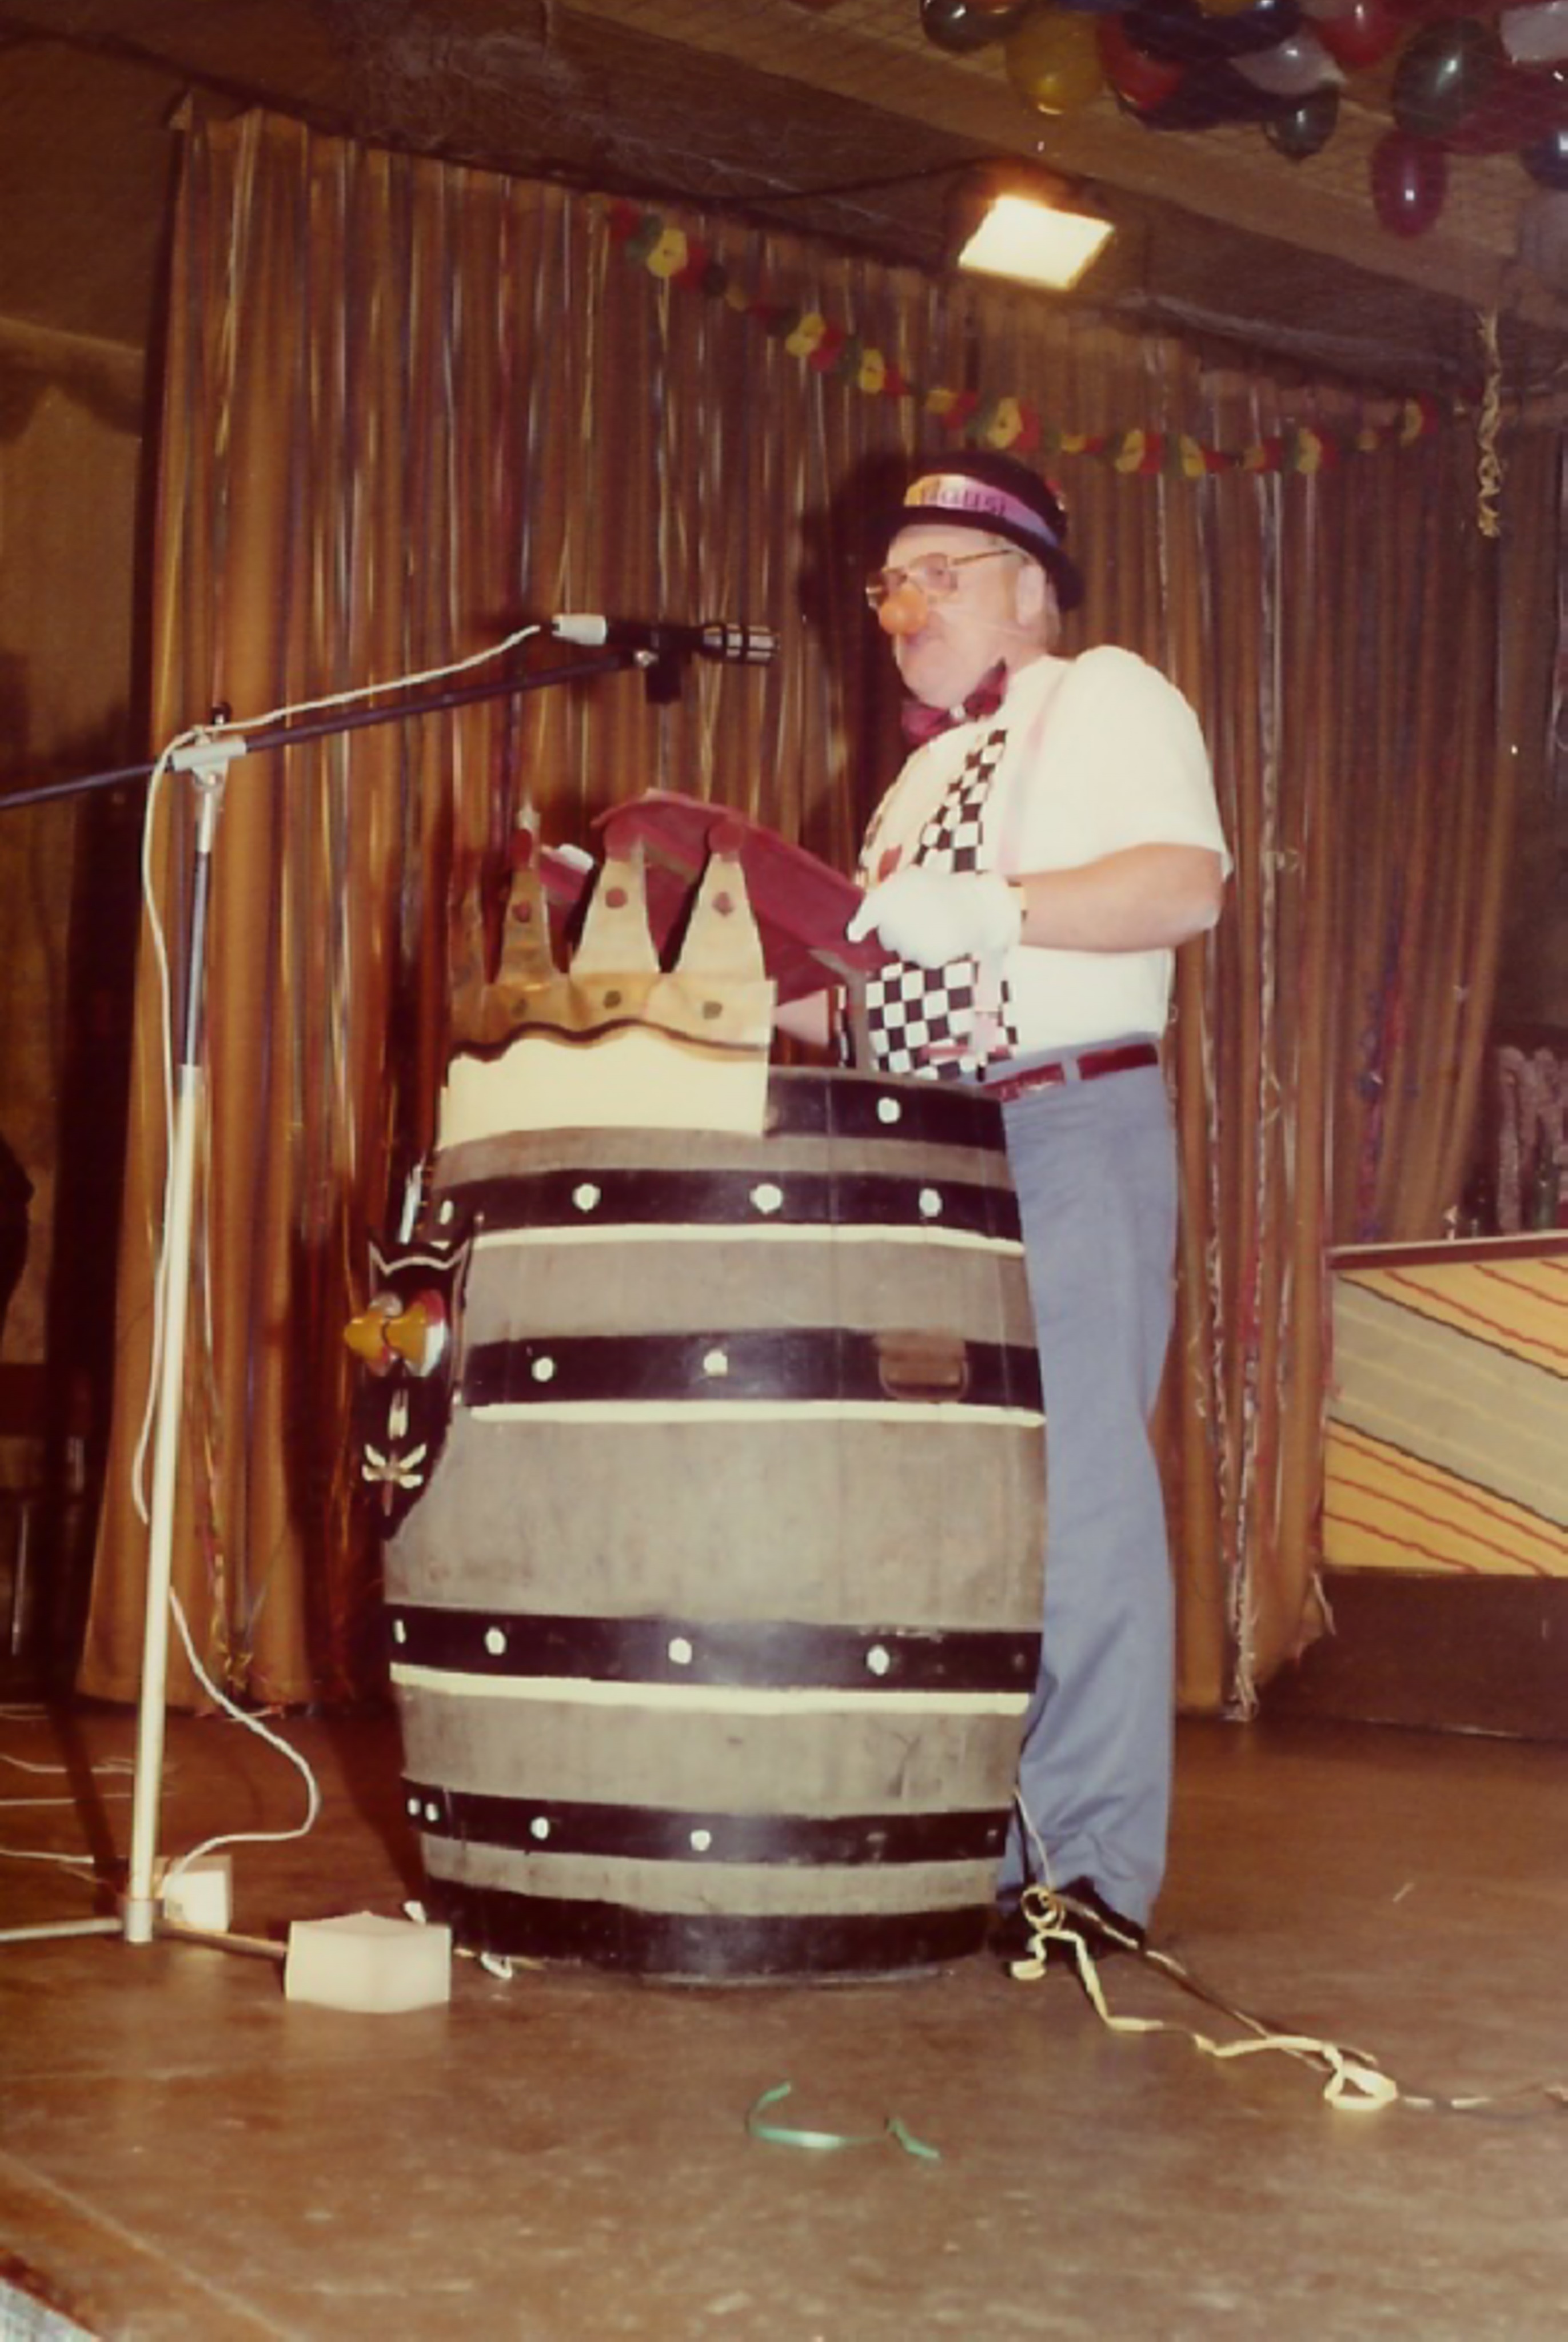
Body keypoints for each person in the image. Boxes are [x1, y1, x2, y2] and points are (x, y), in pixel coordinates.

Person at [831, 449, 1230, 1966]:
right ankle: (976, 1844)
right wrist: (689, 949)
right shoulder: (915, 780)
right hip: (929, 1155)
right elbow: (865, 991)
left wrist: (993, 908)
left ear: (1033, 588)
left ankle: (1089, 1866)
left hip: (1066, 1123)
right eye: (890, 585)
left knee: (1082, 1503)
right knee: (960, 1513)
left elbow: (1182, 888)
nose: (904, 610)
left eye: (939, 576)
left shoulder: (1106, 694)